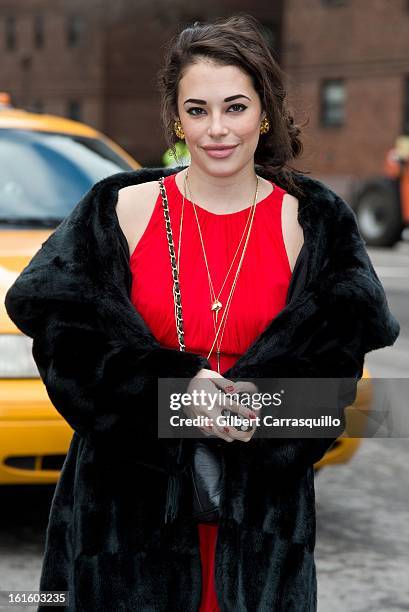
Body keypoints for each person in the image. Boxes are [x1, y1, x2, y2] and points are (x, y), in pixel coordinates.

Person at [4, 14, 399, 612]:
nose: (217, 129)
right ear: (175, 117)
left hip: (261, 530)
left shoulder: (315, 225)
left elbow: (333, 388)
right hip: (125, 523)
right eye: (197, 110)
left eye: (235, 107)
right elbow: (69, 351)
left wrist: (259, 412)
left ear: (264, 112)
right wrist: (177, 394)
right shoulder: (119, 211)